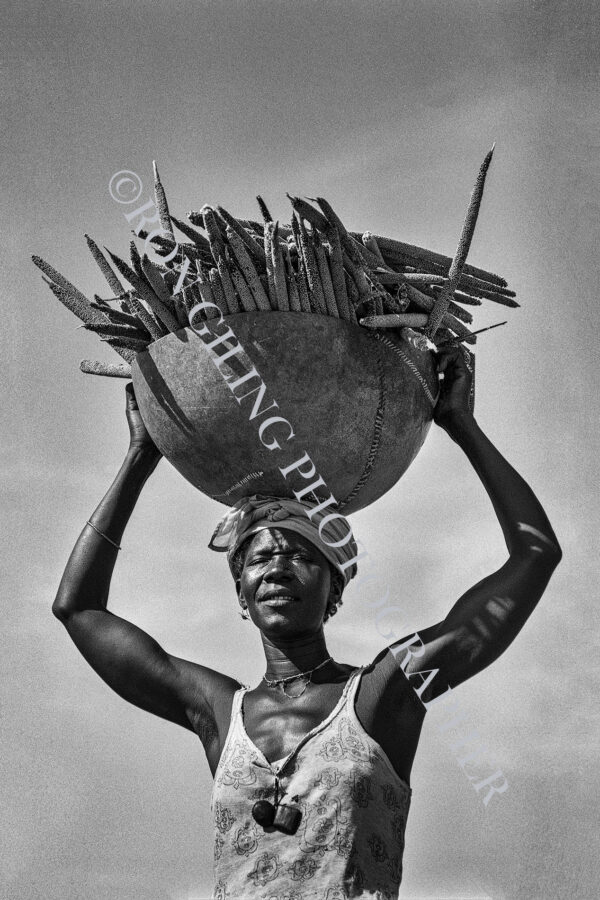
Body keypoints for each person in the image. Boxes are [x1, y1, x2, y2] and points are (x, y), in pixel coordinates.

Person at [52, 347, 561, 899]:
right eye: (257, 558)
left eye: (299, 554)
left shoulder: (383, 694)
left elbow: (535, 556)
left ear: (334, 589)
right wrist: (140, 456)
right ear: (240, 593)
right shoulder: (219, 713)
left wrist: (462, 425)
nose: (275, 568)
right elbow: (78, 609)